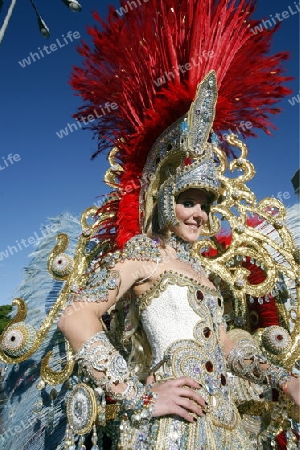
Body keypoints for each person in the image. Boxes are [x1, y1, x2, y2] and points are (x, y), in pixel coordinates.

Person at [57, 71, 300, 450]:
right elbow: (75, 316)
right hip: (173, 431)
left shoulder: (202, 273)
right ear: (166, 200)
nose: (198, 214)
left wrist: (286, 380)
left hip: (225, 427)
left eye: (205, 206)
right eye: (188, 202)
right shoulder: (145, 254)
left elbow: (222, 344)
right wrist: (138, 396)